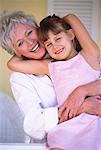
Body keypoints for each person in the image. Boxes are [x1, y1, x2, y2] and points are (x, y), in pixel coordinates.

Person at [0, 11, 101, 146]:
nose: (30, 42)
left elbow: (70, 19)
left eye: (30, 33)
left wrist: (82, 91)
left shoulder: (85, 55)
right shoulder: (41, 70)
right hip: (64, 135)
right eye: (20, 44)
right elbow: (35, 125)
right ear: (16, 53)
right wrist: (81, 107)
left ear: (38, 29)